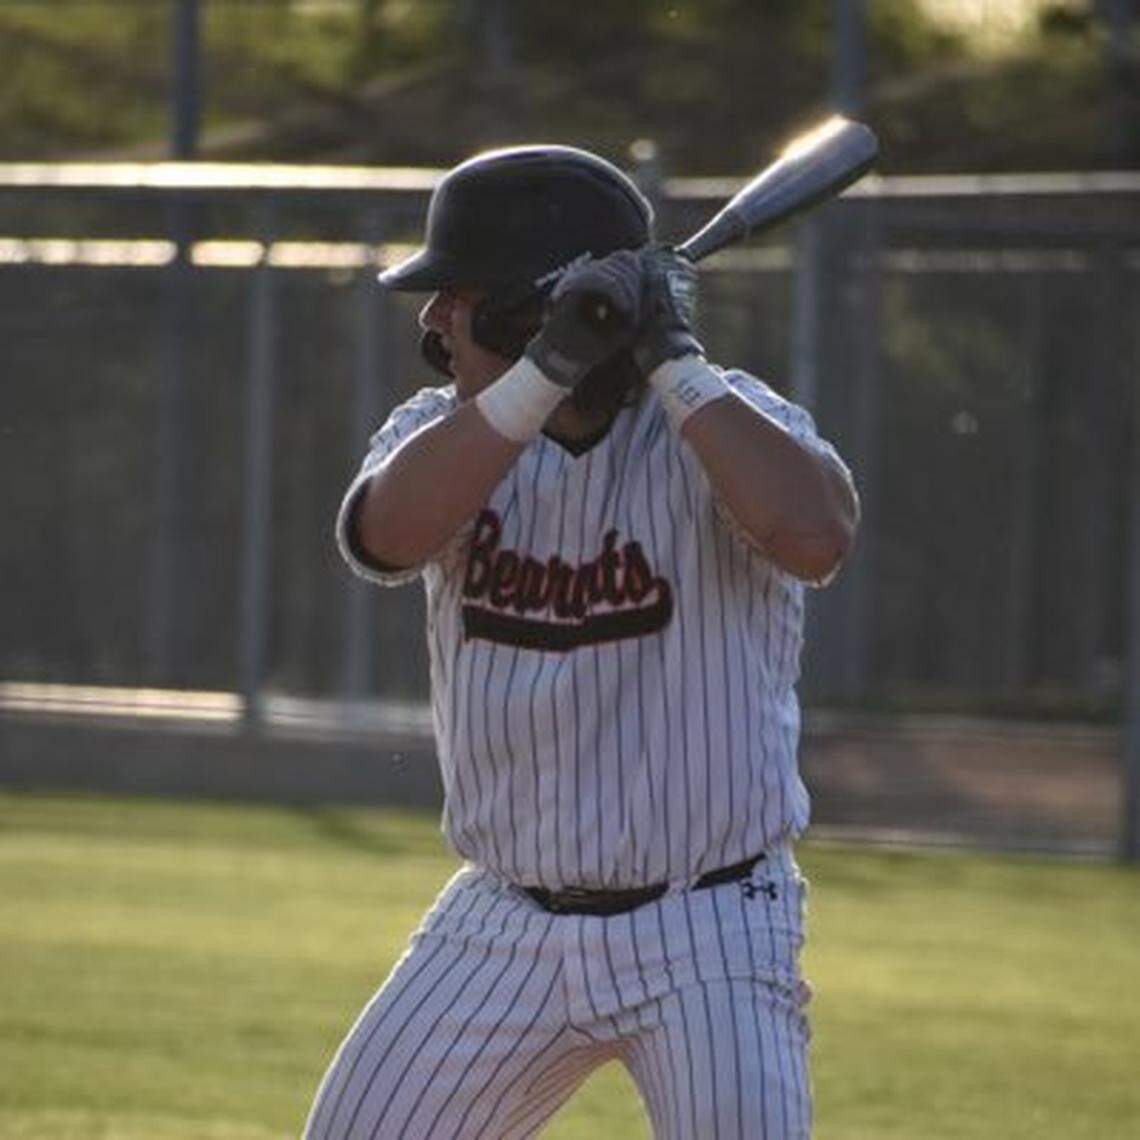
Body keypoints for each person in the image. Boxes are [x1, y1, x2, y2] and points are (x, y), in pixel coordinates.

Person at [304, 144, 859, 1140]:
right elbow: (388, 536)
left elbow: (814, 536)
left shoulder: (717, 427)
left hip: (711, 925)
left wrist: (672, 358)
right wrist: (546, 366)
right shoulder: (442, 430)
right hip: (502, 924)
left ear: (519, 305)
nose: (431, 318)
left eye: (458, 295)